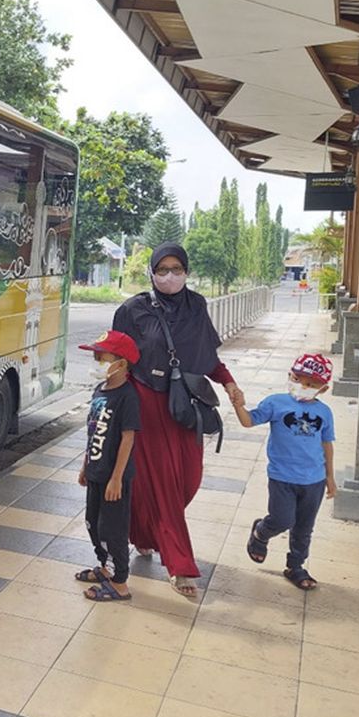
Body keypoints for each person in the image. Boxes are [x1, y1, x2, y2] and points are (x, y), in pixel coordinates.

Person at [112, 243, 244, 597]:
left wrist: (229, 382)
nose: (170, 276)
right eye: (163, 269)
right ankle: (180, 565)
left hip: (184, 407)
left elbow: (207, 356)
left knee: (187, 479)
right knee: (164, 485)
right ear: (152, 272)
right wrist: (112, 406)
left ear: (186, 270)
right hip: (146, 405)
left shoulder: (196, 306)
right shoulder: (133, 309)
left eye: (177, 269)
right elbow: (118, 359)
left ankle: (142, 533)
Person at [234, 353, 337, 590]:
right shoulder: (276, 403)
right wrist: (238, 405)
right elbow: (249, 421)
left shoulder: (324, 413)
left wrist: (330, 477)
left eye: (311, 384)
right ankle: (261, 533)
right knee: (282, 519)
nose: (303, 386)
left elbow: (326, 445)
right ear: (289, 375)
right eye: (298, 379)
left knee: (303, 527)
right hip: (282, 477)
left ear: (323, 388)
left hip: (314, 480)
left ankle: (296, 566)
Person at [74, 330, 141, 602]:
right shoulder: (99, 390)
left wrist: (116, 478)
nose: (96, 360)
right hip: (95, 471)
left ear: (121, 363)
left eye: (102, 357)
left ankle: (120, 583)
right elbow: (92, 432)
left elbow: (128, 438)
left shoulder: (128, 396)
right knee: (93, 522)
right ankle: (105, 567)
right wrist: (85, 465)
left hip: (115, 477)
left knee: (112, 529)